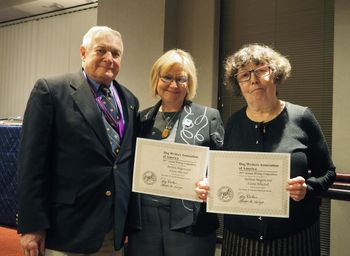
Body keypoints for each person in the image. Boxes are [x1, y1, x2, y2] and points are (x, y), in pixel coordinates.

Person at [196, 43, 336, 256]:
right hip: (240, 240)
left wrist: (308, 189)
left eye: (261, 70)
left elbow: (328, 172)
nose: (253, 79)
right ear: (238, 84)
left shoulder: (302, 117)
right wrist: (209, 186)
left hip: (295, 238)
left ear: (275, 74)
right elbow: (224, 174)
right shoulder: (233, 123)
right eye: (244, 75)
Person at [17, 26, 139, 256]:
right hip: (65, 229)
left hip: (111, 232)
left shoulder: (130, 100)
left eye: (116, 53)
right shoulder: (51, 91)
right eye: (101, 50)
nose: (109, 59)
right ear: (83, 53)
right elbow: (31, 164)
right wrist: (31, 225)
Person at [126, 49, 224, 256]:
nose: (174, 85)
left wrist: (211, 184)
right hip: (143, 222)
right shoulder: (140, 119)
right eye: (167, 77)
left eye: (181, 79)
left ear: (190, 83)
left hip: (190, 221)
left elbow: (223, 168)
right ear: (156, 79)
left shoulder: (208, 117)